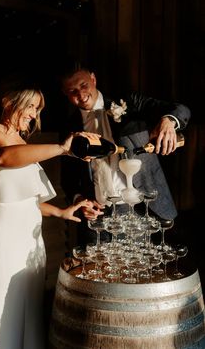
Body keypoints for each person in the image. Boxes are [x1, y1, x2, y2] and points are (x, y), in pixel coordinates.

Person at [0, 83, 97, 349]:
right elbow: (4, 158)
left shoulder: (21, 142)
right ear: (8, 101)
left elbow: (28, 201)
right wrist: (63, 148)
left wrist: (61, 211)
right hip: (1, 236)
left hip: (30, 239)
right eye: (30, 105)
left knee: (28, 310)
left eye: (37, 108)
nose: (33, 113)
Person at [58, 60, 191, 246]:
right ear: (65, 94)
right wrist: (79, 199)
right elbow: (69, 178)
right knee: (100, 272)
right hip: (98, 215)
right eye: (72, 91)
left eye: (83, 85)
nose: (81, 94)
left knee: (142, 269)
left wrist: (169, 121)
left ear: (93, 79)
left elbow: (180, 109)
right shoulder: (68, 127)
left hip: (140, 209)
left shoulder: (128, 103)